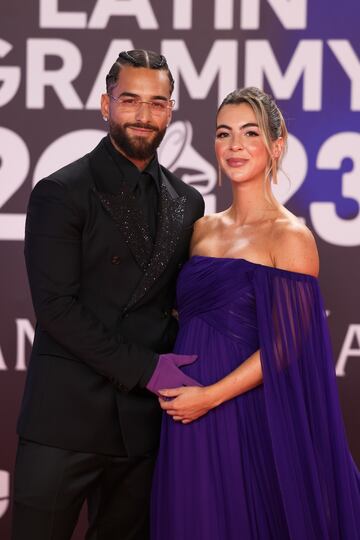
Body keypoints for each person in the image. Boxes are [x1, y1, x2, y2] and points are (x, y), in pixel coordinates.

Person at [151, 87, 360, 539]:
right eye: (224, 134)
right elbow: (181, 315)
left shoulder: (291, 237)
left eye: (250, 133)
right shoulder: (201, 229)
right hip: (185, 410)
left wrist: (210, 396)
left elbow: (285, 346)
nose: (235, 145)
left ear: (276, 145)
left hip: (242, 409)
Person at [11, 49, 204, 540]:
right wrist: (147, 369)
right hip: (64, 421)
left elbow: (183, 300)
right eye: (131, 101)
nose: (144, 115)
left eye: (158, 103)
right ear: (105, 104)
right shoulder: (61, 191)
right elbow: (55, 309)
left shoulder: (189, 201)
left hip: (142, 428)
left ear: (171, 111)